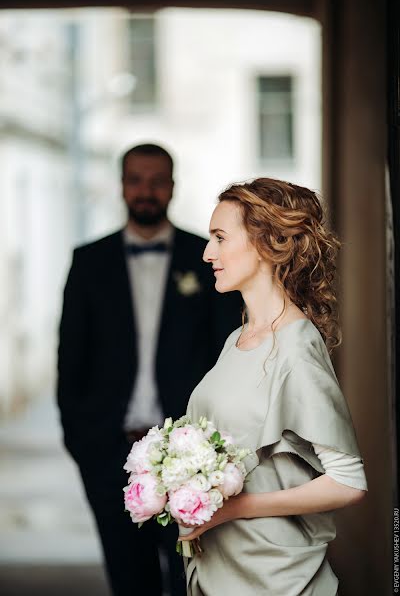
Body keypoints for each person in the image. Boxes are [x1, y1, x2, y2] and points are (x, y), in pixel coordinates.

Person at [56, 143, 242, 596]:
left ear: (172, 187)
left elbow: (226, 357)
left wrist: (212, 450)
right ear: (121, 185)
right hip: (109, 455)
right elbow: (70, 361)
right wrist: (84, 444)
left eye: (157, 180)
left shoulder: (207, 257)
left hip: (190, 462)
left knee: (190, 581)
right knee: (128, 581)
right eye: (136, 179)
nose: (146, 191)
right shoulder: (89, 261)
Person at [179, 178, 368, 596]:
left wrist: (234, 509)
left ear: (266, 244)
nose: (208, 253)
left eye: (220, 238)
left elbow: (349, 481)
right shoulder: (238, 338)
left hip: (274, 581)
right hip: (220, 571)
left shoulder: (296, 348)